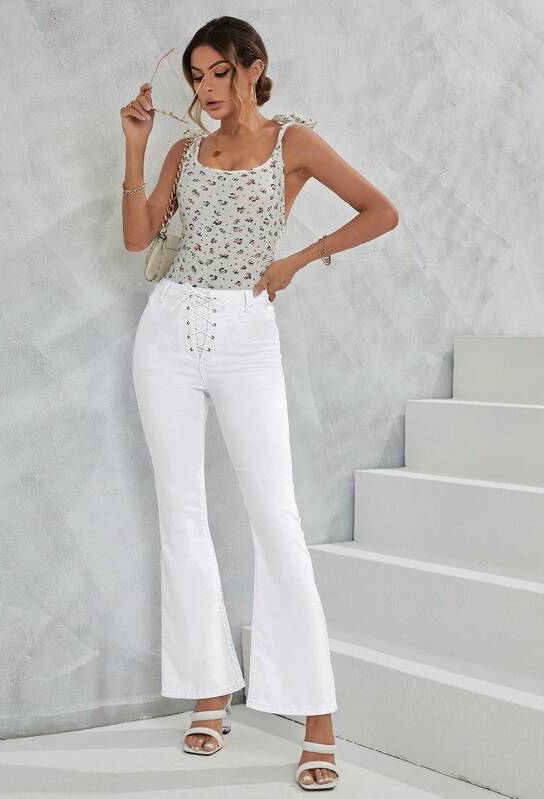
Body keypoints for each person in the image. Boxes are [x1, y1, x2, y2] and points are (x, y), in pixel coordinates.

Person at [121, 16, 398, 791]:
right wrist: (136, 148)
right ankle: (209, 690)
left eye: (218, 72)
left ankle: (317, 717)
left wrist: (300, 259)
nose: (206, 89)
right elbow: (138, 236)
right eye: (196, 77)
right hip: (167, 332)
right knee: (181, 514)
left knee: (276, 519)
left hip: (245, 333)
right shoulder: (185, 150)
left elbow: (380, 210)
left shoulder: (292, 143)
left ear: (253, 68)